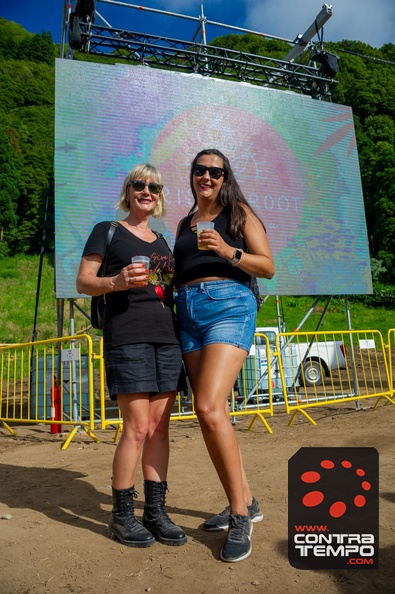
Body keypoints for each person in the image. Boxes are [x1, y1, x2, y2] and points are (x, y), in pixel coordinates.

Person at [76, 164, 187, 549]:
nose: (147, 190)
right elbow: (83, 281)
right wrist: (117, 282)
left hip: (167, 339)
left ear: (159, 195)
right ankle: (121, 517)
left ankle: (155, 513)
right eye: (140, 184)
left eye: (154, 186)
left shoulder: (162, 240)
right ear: (129, 190)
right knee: (137, 427)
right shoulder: (107, 230)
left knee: (159, 429)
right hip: (128, 336)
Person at [173, 148, 275, 563]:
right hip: (188, 312)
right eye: (201, 170)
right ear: (193, 175)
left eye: (216, 171)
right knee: (209, 414)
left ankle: (239, 516)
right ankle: (246, 500)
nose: (207, 177)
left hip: (229, 305)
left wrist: (226, 251)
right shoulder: (183, 222)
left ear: (225, 177)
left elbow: (267, 266)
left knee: (210, 407)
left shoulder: (239, 214)